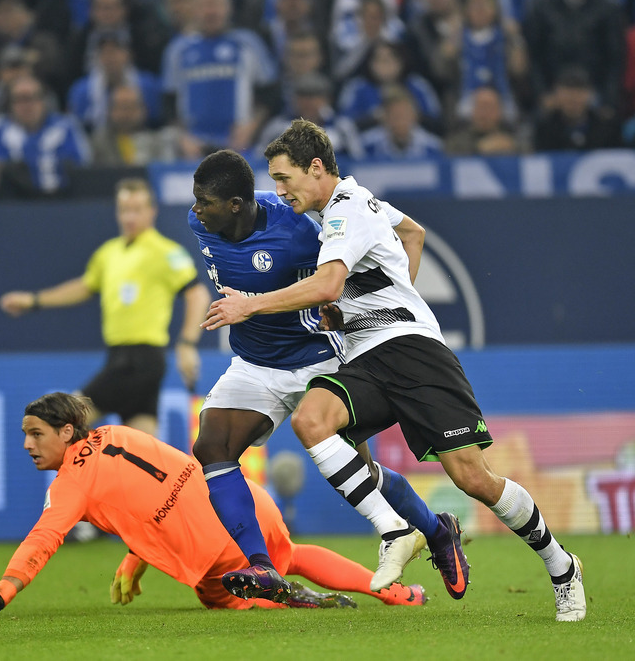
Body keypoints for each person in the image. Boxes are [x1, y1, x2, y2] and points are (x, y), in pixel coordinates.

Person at [202, 118, 586, 622]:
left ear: (315, 168)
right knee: (311, 420)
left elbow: (326, 286)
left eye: (285, 177)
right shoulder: (357, 203)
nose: (279, 190)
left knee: (473, 478)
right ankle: (395, 531)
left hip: (414, 353)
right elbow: (413, 233)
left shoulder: (345, 209)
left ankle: (561, 567)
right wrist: (378, 304)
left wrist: (250, 306)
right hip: (365, 356)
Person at [188, 148, 463, 604]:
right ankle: (261, 565)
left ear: (235, 205)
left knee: (362, 472)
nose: (195, 210)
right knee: (211, 446)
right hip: (255, 364)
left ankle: (437, 530)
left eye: (204, 202)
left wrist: (366, 311)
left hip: (317, 358)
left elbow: (351, 271)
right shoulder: (202, 224)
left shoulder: (300, 232)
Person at [0, 392, 427, 618]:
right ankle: (392, 592)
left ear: (67, 433)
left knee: (224, 600)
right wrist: (135, 559)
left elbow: (43, 539)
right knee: (291, 553)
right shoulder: (120, 434)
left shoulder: (70, 484)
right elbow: (157, 493)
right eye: (24, 434)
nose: (27, 444)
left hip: (212, 556)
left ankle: (298, 602)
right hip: (244, 508)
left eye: (35, 434)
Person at [0, 178, 210, 438]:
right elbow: (84, 286)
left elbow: (198, 294)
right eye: (124, 210)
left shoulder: (166, 253)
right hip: (119, 357)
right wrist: (34, 301)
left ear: (151, 211)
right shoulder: (108, 253)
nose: (129, 217)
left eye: (137, 209)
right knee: (142, 452)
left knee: (64, 421)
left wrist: (187, 344)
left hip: (141, 360)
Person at [160, 0, 278, 159]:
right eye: (205, 5)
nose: (211, 11)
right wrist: (183, 138)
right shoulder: (178, 49)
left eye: (216, 4)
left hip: (239, 147)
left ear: (229, 8)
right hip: (193, 149)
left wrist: (250, 128)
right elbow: (169, 102)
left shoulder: (248, 44)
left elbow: (270, 94)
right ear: (194, 9)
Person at [0, 75, 91, 197]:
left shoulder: (67, 127)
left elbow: (82, 168)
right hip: (11, 207)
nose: (27, 105)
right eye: (20, 99)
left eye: (33, 98)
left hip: (64, 204)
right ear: (9, 104)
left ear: (44, 101)